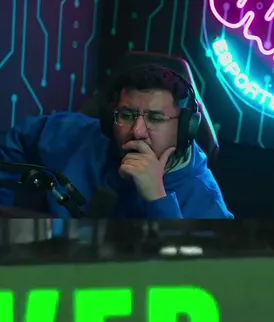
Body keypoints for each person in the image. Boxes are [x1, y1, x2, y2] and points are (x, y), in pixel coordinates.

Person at [0, 63, 231, 219]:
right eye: (127, 115)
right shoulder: (81, 137)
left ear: (185, 128)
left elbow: (194, 275)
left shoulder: (204, 198)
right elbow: (16, 141)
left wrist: (157, 198)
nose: (137, 132)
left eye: (156, 118)